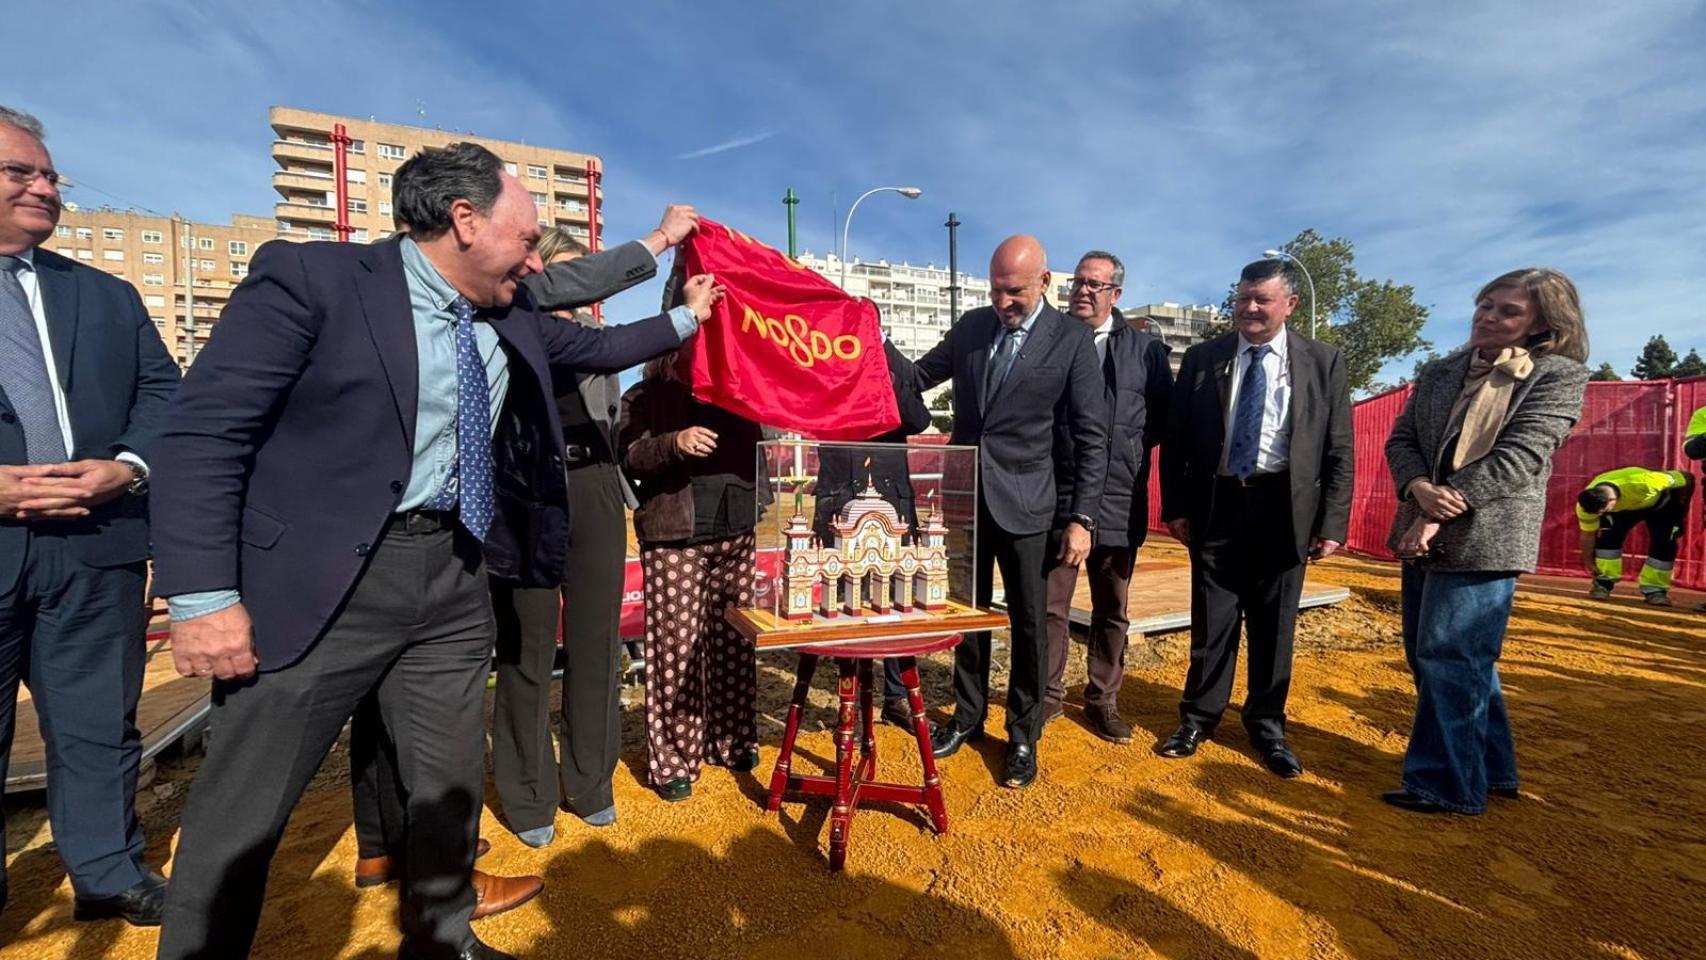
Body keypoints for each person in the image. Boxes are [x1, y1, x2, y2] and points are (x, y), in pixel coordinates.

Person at [150, 141, 717, 960]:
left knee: (445, 786)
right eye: (525, 239)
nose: (535, 258)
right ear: (464, 221)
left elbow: (596, 348)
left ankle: (446, 939)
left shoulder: (513, 309)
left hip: (452, 577)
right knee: (243, 811)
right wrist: (203, 597)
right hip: (322, 582)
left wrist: (688, 318)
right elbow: (206, 433)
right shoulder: (314, 282)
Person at [346, 210, 699, 898]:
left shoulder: (600, 337)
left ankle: (589, 783)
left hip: (594, 484)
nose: (554, 278)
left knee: (596, 646)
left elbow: (618, 358)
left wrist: (687, 309)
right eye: (550, 266)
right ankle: (529, 796)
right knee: (526, 651)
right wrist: (657, 242)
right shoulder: (510, 315)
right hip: (525, 494)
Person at [0, 106, 178, 925]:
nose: (45, 187)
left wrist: (127, 467)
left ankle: (109, 873)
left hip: (96, 545)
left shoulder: (105, 294)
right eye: (20, 174)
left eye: (48, 175)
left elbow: (164, 398)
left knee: (98, 725)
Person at [902, 235, 1108, 790]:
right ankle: (967, 718)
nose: (1002, 301)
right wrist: (861, 337)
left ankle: (1022, 734)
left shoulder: (1071, 340)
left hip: (1030, 504)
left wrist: (1082, 518)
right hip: (965, 502)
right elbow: (916, 376)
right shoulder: (971, 328)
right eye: (994, 289)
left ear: (1044, 283)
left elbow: (1092, 436)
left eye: (1014, 290)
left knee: (1030, 624)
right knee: (967, 619)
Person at [1381, 267, 1590, 815]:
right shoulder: (1442, 371)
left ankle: (1446, 785)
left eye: (1508, 311)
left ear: (1543, 321)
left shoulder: (1557, 376)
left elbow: (1522, 456)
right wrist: (1419, 488)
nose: (1489, 317)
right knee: (1449, 660)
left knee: (1450, 658)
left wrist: (1444, 504)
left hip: (1487, 536)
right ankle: (1492, 770)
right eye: (1484, 305)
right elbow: (1401, 439)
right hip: (1421, 527)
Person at [1157, 259, 1353, 779]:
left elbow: (1339, 448)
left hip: (1284, 510)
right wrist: (1174, 507)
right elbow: (1174, 441)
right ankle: (1198, 718)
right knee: (1212, 622)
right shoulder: (1203, 359)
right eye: (1243, 298)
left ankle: (1268, 726)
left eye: (1261, 299)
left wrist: (1332, 522)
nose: (1248, 308)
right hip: (1218, 506)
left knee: (1274, 626)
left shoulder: (1324, 362)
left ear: (1289, 304)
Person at [619, 347, 765, 802]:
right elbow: (629, 455)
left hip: (737, 531)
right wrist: (673, 443)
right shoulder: (644, 395)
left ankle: (733, 740)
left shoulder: (738, 387)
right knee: (675, 652)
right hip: (674, 538)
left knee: (735, 645)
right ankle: (675, 760)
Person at [1042, 251, 1172, 744]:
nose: (1083, 290)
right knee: (1052, 605)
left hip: (1119, 495)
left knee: (1111, 606)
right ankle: (1049, 697)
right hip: (1057, 494)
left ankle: (1102, 700)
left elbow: (1160, 420)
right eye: (1078, 282)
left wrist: (1125, 453)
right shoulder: (1050, 341)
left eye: (1095, 284)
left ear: (1116, 294)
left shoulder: (1145, 351)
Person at [811, 335, 935, 729]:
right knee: (844, 592)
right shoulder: (823, 355)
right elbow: (810, 413)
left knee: (900, 591)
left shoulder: (895, 363)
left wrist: (887, 368)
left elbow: (919, 419)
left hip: (889, 496)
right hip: (839, 493)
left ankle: (896, 696)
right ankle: (850, 693)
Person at [1575, 466, 1692, 606]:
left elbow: (1686, 477)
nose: (1598, 516)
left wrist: (1682, 506)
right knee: (1608, 538)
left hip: (1661, 505)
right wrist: (1589, 562)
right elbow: (1588, 534)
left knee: (1665, 543)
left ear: (1612, 500)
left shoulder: (1647, 482)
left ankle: (1655, 590)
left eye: (1602, 511)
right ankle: (1602, 583)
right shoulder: (1587, 507)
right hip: (1624, 509)